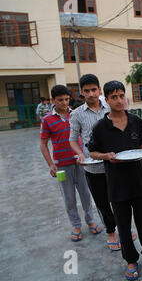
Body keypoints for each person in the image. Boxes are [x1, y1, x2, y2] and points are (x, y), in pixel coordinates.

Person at [88, 80, 142, 281]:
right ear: (106, 99)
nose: (119, 100)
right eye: (114, 97)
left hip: (139, 181)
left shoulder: (135, 121)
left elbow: (140, 144)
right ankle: (131, 260)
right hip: (116, 184)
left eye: (121, 95)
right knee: (123, 225)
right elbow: (92, 152)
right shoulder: (100, 127)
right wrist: (106, 156)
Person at [69, 74, 128, 252]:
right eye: (86, 91)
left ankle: (124, 228)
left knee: (120, 200)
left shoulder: (111, 106)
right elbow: (73, 140)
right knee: (103, 203)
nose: (91, 94)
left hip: (116, 164)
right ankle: (111, 231)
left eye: (94, 90)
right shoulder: (77, 114)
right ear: (81, 93)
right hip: (93, 167)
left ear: (100, 90)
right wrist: (80, 154)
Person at [39, 85, 100, 242]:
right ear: (53, 100)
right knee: (69, 198)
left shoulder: (76, 114)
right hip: (61, 167)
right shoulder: (47, 120)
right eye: (60, 100)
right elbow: (43, 144)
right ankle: (76, 226)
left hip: (81, 162)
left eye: (66, 99)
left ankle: (91, 221)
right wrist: (51, 164)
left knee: (86, 194)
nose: (64, 103)